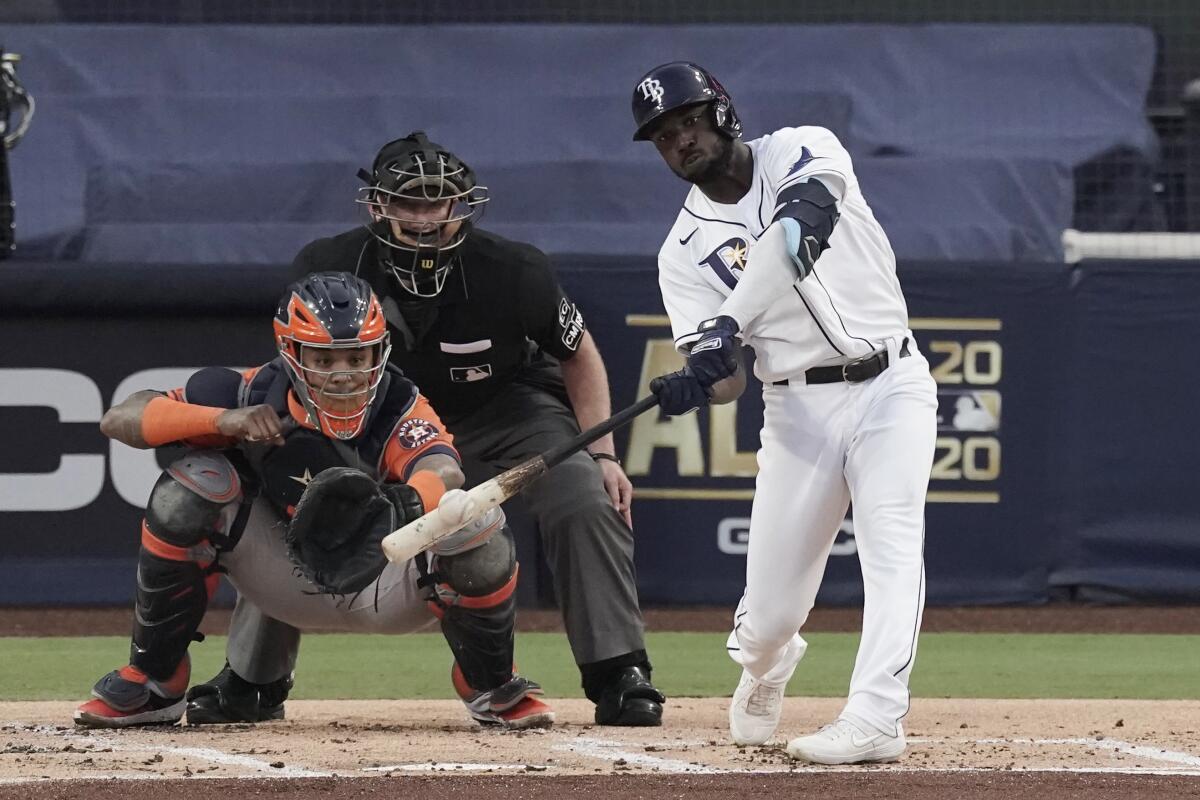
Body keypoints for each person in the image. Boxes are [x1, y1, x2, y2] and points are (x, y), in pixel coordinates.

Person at [273, 132, 666, 726]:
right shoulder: (327, 264)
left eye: (439, 202)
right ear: (378, 205)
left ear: (462, 205)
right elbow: (297, 361)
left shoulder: (514, 269)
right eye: (409, 202)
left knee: (585, 494)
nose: (426, 217)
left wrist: (606, 455)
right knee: (303, 499)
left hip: (506, 413)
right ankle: (254, 677)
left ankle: (620, 671)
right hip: (380, 420)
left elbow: (577, 351)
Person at [75, 271, 554, 731]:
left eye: (356, 358)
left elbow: (443, 469)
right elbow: (121, 417)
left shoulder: (399, 401)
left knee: (474, 517)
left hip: (383, 578)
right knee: (192, 484)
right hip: (284, 578)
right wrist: (223, 422)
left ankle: (490, 684)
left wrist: (404, 503)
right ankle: (155, 682)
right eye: (325, 360)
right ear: (291, 354)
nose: (343, 375)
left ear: (378, 354)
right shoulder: (250, 389)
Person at [631, 62, 937, 764]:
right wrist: (698, 381)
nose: (679, 140)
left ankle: (876, 715)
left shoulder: (805, 147)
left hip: (891, 382)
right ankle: (768, 664)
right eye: (662, 136)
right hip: (797, 411)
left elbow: (798, 237)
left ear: (722, 113)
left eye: (688, 121)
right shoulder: (681, 253)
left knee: (891, 545)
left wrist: (726, 324)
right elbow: (729, 383)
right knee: (767, 618)